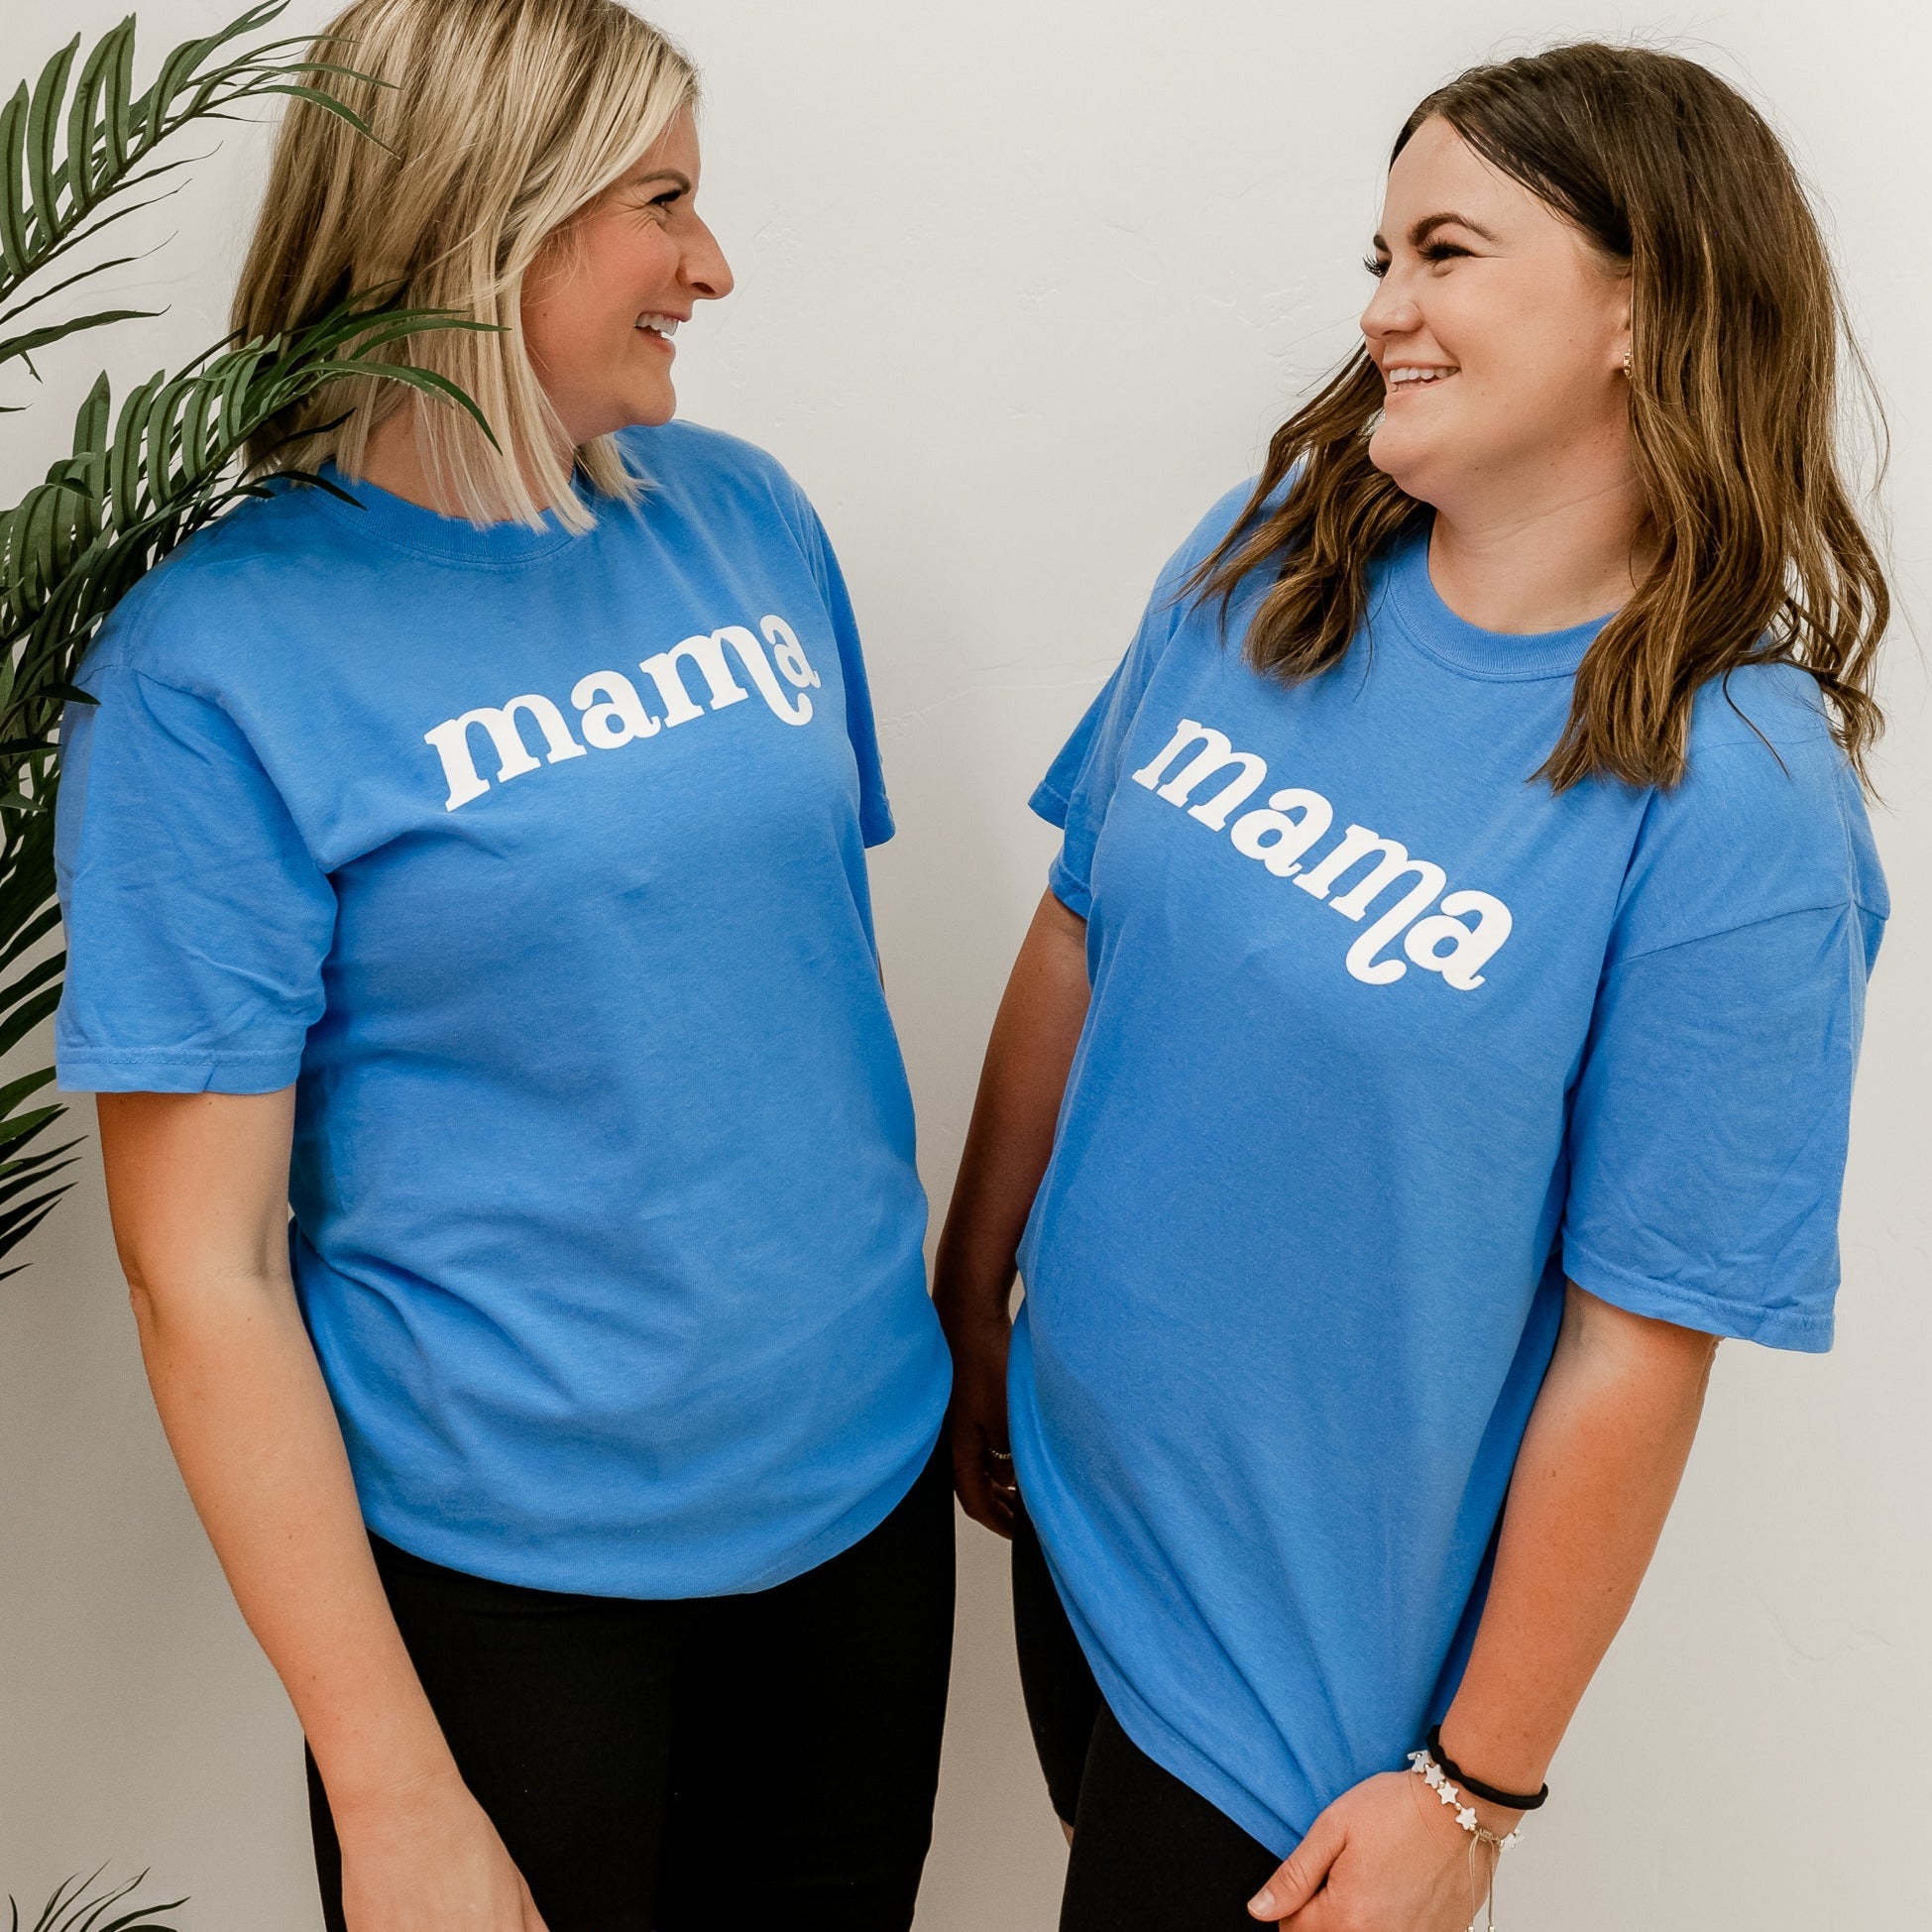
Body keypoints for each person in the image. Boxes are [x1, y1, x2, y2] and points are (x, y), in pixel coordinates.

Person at [936, 42, 1889, 1932]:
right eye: (1378, 257)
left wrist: (1471, 1787)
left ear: (1644, 304)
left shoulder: (1734, 793)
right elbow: (1078, 931)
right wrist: (968, 1297)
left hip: (1295, 1684)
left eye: (1444, 252)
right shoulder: (1265, 567)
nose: (1382, 310)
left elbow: (1640, 1337)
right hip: (1064, 1508)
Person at [54, 3, 953, 1927]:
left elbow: (779, 1003)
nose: (713, 266)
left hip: (862, 1506)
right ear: (487, 217)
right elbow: (199, 1269)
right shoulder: (213, 664)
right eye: (663, 203)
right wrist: (391, 1794)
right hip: (509, 1588)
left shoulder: (744, 519)